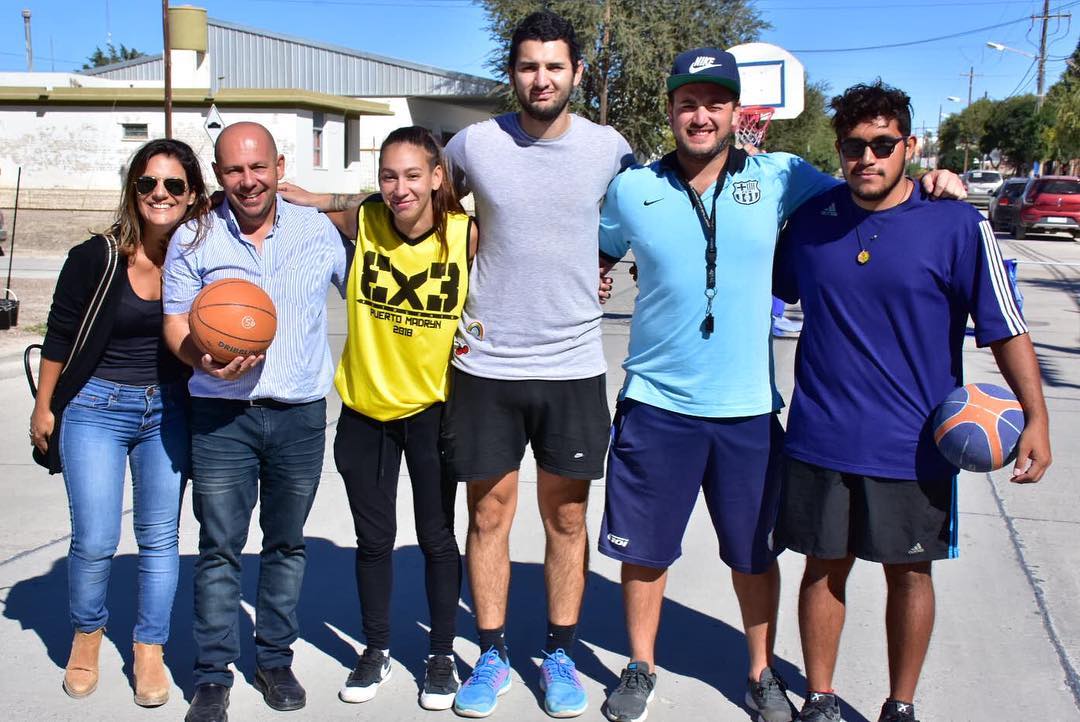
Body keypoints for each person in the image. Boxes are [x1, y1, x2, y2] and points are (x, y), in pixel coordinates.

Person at [595, 50, 965, 722]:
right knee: (645, 554)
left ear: (738, 113)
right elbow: (602, 248)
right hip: (655, 404)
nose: (699, 115)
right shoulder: (632, 189)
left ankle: (762, 673)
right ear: (671, 111)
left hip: (747, 412)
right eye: (687, 102)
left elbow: (871, 185)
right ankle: (640, 664)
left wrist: (934, 178)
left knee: (753, 554)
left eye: (714, 102)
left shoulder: (782, 176)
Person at [772, 81, 1051, 722]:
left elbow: (1005, 326)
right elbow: (765, 286)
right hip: (821, 435)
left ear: (909, 146)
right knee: (823, 567)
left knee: (910, 575)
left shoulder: (955, 223)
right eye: (853, 145)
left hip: (916, 443)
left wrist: (1036, 417)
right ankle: (819, 696)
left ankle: (900, 704)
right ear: (838, 149)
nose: (867, 157)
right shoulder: (812, 224)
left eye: (882, 144)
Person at [440, 10, 634, 719]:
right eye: (528, 66)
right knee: (489, 515)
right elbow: (415, 202)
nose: (541, 77)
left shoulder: (610, 149)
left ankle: (559, 652)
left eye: (555, 66)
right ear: (512, 73)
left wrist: (605, 260)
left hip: (574, 362)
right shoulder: (474, 144)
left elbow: (661, 208)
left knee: (568, 520)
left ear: (576, 73)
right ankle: (489, 654)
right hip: (485, 361)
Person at [162, 121, 347, 722]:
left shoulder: (315, 229)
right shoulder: (193, 239)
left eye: (258, 167)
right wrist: (203, 361)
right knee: (219, 547)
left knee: (285, 544)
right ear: (218, 175)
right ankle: (213, 674)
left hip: (299, 413)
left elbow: (371, 288)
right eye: (234, 170)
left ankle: (274, 660)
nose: (248, 181)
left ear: (279, 165)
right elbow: (173, 325)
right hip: (222, 416)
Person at [288, 127, 477, 710]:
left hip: (432, 409)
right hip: (365, 409)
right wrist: (310, 198)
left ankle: (441, 655)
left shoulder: (466, 235)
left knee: (437, 539)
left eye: (413, 175)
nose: (400, 188)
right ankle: (376, 648)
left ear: (437, 176)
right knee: (373, 540)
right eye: (389, 176)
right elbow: (340, 211)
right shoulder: (367, 220)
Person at [29, 138, 209, 707]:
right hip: (95, 409)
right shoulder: (95, 257)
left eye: (173, 185)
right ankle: (87, 634)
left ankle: (148, 648)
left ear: (192, 195)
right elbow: (60, 334)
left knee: (160, 539)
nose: (160, 194)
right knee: (97, 536)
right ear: (133, 191)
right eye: (148, 183)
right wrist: (44, 405)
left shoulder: (199, 257)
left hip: (168, 411)